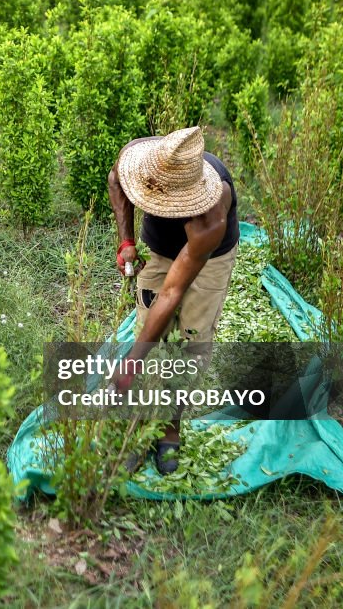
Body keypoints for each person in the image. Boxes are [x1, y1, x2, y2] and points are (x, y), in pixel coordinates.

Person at [106, 126, 240, 474]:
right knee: (148, 331)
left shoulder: (211, 218)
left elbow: (172, 292)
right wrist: (126, 241)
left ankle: (169, 429)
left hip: (209, 259)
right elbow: (115, 180)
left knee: (189, 343)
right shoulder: (139, 157)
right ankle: (137, 430)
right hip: (161, 249)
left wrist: (129, 365)